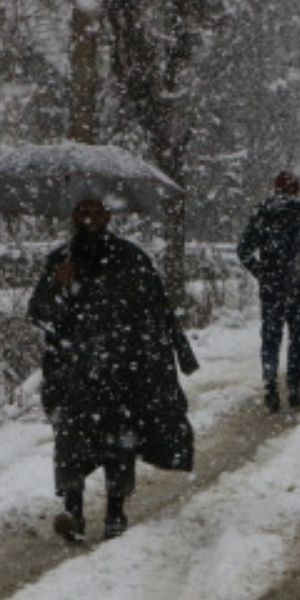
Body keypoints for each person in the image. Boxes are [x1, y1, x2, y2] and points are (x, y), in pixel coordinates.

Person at [28, 198, 196, 543]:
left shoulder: (130, 258)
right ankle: (73, 512)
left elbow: (154, 309)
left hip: (121, 367)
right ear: (75, 216)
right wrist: (59, 286)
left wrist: (157, 353)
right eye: (83, 212)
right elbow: (40, 313)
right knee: (71, 441)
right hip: (74, 368)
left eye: (96, 212)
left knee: (120, 441)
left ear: (108, 216)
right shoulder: (61, 260)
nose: (89, 218)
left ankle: (115, 511)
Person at [237, 170, 300, 412]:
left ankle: (270, 387)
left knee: (271, 339)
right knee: (296, 341)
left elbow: (243, 250)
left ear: (275, 189)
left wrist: (262, 272)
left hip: (272, 291)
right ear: (297, 191)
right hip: (298, 290)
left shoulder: (263, 214)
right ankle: (294, 390)